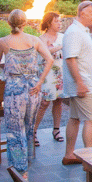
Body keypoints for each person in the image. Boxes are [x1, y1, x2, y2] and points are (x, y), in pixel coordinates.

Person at [0, 10, 54, 180]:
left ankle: (21, 170)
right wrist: (40, 82)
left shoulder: (3, 41)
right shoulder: (34, 40)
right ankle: (27, 161)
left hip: (14, 90)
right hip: (33, 88)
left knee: (14, 129)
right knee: (29, 125)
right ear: (25, 23)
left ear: (8, 23)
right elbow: (50, 60)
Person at [60, 1, 92, 165]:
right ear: (82, 13)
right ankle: (89, 160)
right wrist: (80, 83)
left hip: (84, 82)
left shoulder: (80, 31)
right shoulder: (75, 32)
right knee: (91, 119)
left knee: (75, 118)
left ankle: (69, 154)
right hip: (83, 83)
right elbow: (70, 59)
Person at [32, 12, 65, 146]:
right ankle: (33, 131)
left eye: (60, 21)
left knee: (59, 101)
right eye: (56, 21)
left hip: (60, 73)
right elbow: (44, 52)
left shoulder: (63, 37)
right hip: (47, 74)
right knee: (44, 103)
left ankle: (56, 130)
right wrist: (60, 47)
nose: (59, 24)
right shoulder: (41, 38)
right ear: (49, 23)